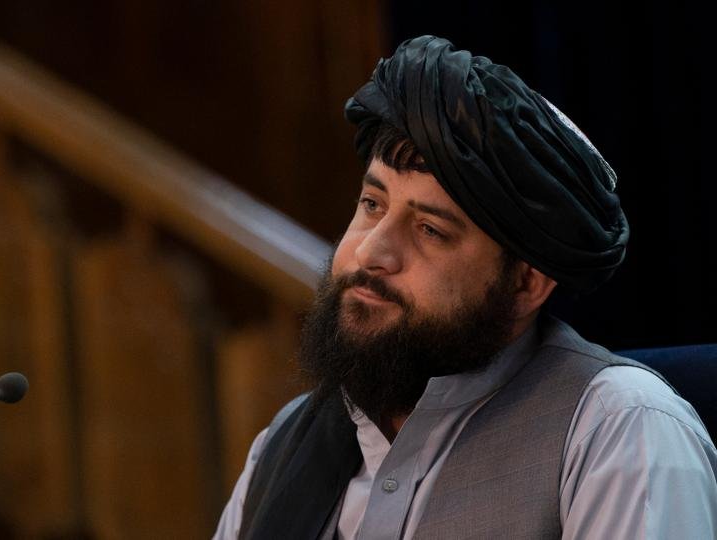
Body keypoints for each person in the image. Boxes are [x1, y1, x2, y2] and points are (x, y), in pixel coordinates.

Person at [213, 35, 717, 539]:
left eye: (430, 230)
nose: (370, 252)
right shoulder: (282, 447)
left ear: (525, 283)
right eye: (372, 205)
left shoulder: (617, 430)